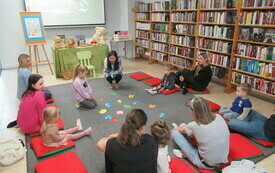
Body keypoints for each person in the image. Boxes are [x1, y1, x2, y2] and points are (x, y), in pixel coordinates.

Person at [172, 97, 229, 169]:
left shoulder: (194, 125)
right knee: (185, 127)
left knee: (175, 133)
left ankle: (187, 154)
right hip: (222, 161)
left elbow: (184, 132)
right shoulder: (219, 117)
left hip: (204, 163)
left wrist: (176, 128)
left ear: (193, 111)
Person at [96, 109, 158, 173]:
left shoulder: (114, 144)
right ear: (142, 128)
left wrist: (117, 136)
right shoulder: (151, 140)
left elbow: (99, 143)